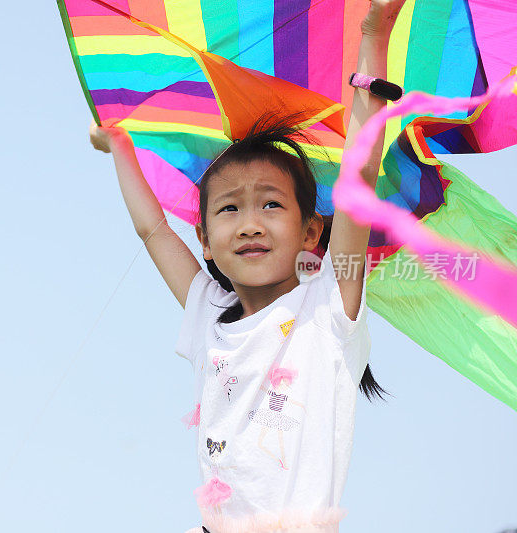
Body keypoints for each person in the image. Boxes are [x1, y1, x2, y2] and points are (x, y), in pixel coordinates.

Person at [88, 1, 405, 531]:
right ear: (206, 241)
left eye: (271, 204)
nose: (250, 224)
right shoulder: (208, 314)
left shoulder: (327, 308)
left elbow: (360, 173)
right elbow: (153, 229)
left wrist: (374, 35)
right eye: (230, 208)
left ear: (311, 232)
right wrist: (121, 145)